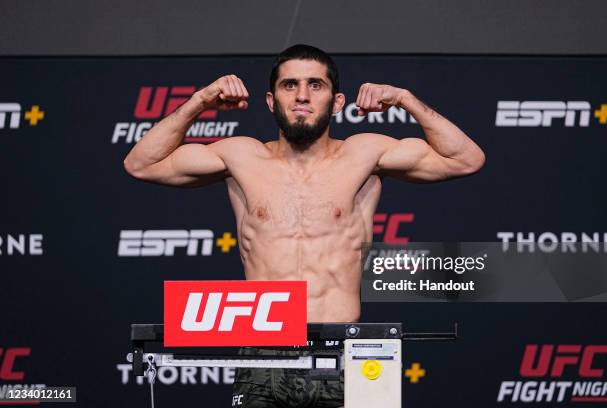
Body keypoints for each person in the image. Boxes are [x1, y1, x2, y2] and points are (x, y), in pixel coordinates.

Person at [123, 44, 485, 408]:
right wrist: (200, 101)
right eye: (289, 85)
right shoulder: (240, 155)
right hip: (264, 353)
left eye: (315, 85)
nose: (301, 95)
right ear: (271, 100)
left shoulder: (365, 154)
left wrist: (406, 99)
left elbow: (465, 159)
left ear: (337, 100)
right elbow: (142, 164)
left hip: (344, 350)